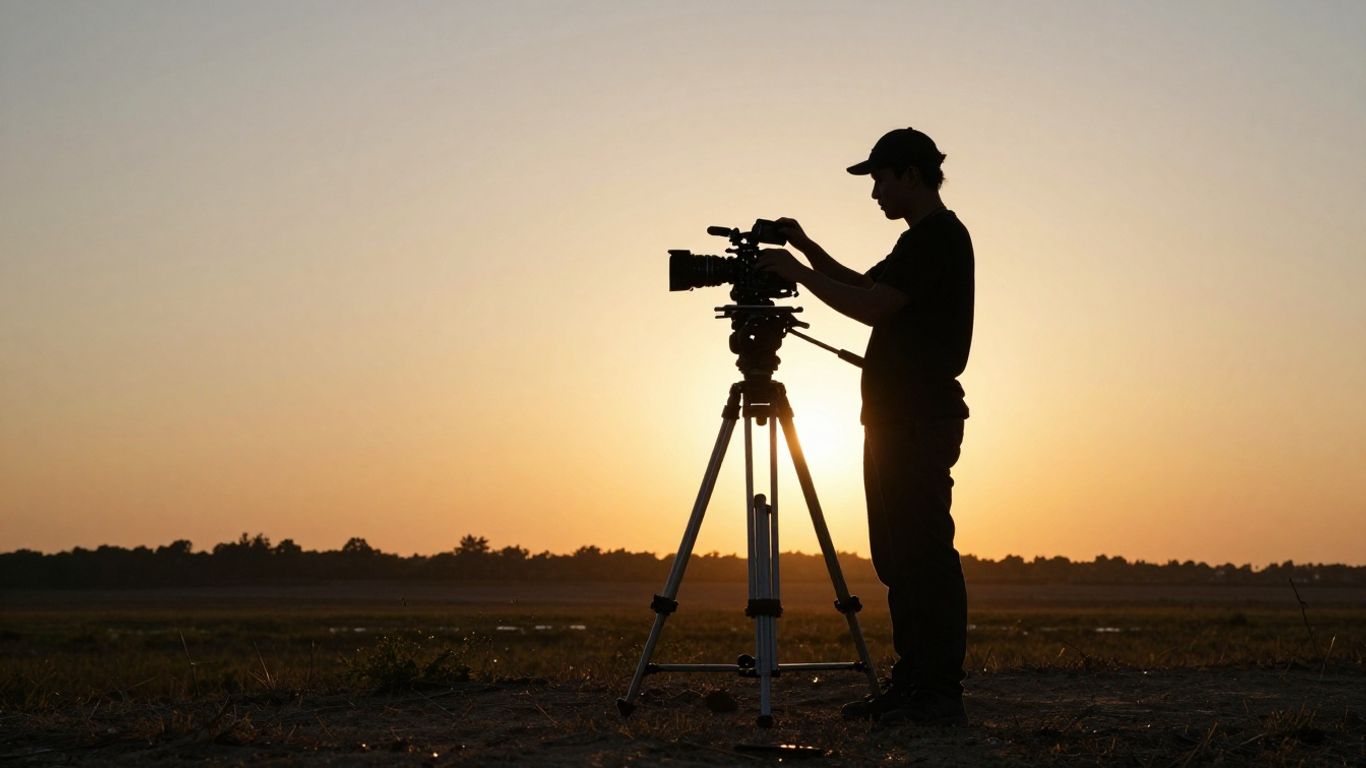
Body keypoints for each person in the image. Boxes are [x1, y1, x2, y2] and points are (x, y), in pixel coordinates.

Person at [756, 127, 973, 726]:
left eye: (878, 178)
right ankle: (913, 683)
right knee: (897, 559)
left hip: (917, 419)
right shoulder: (917, 244)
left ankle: (938, 692)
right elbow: (863, 284)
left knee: (924, 553)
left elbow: (871, 307)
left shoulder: (939, 239)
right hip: (890, 419)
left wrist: (797, 275)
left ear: (908, 174)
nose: (874, 192)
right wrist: (803, 250)